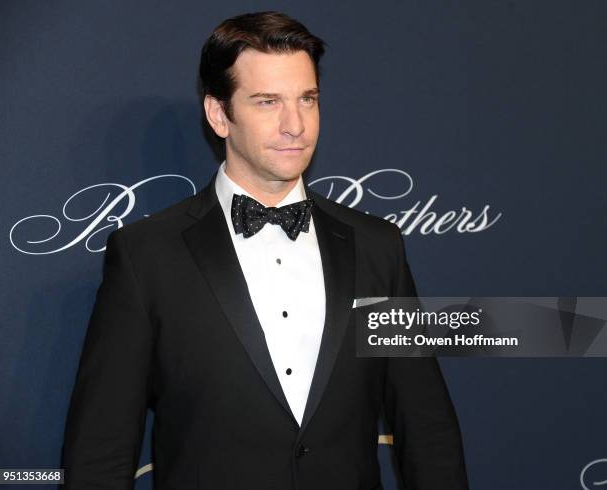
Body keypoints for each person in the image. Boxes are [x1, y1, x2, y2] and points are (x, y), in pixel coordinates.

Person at [59, 11, 469, 490]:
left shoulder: (377, 246)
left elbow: (427, 426)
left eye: (307, 99)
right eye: (267, 101)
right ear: (219, 114)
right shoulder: (145, 255)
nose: (295, 125)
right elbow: (101, 448)